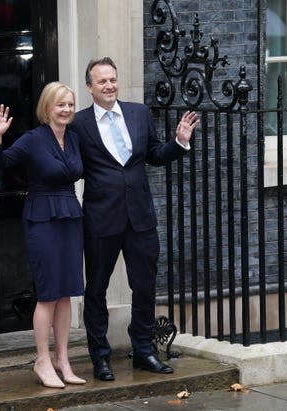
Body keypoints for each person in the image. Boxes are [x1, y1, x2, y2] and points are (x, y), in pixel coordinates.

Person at [71, 57, 198, 381]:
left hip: (140, 217)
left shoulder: (139, 114)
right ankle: (100, 357)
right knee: (96, 289)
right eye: (102, 81)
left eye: (112, 79)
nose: (109, 85)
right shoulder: (79, 124)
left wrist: (179, 142)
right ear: (90, 87)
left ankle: (144, 350)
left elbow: (154, 154)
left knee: (144, 286)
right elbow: (70, 166)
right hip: (101, 218)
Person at [0, 82, 86, 389]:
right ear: (47, 108)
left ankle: (63, 359)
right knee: (47, 293)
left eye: (70, 104)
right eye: (61, 105)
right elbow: (1, 165)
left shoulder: (73, 139)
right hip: (42, 216)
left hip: (70, 215)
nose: (67, 110)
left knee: (66, 291)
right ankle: (42, 360)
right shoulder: (33, 139)